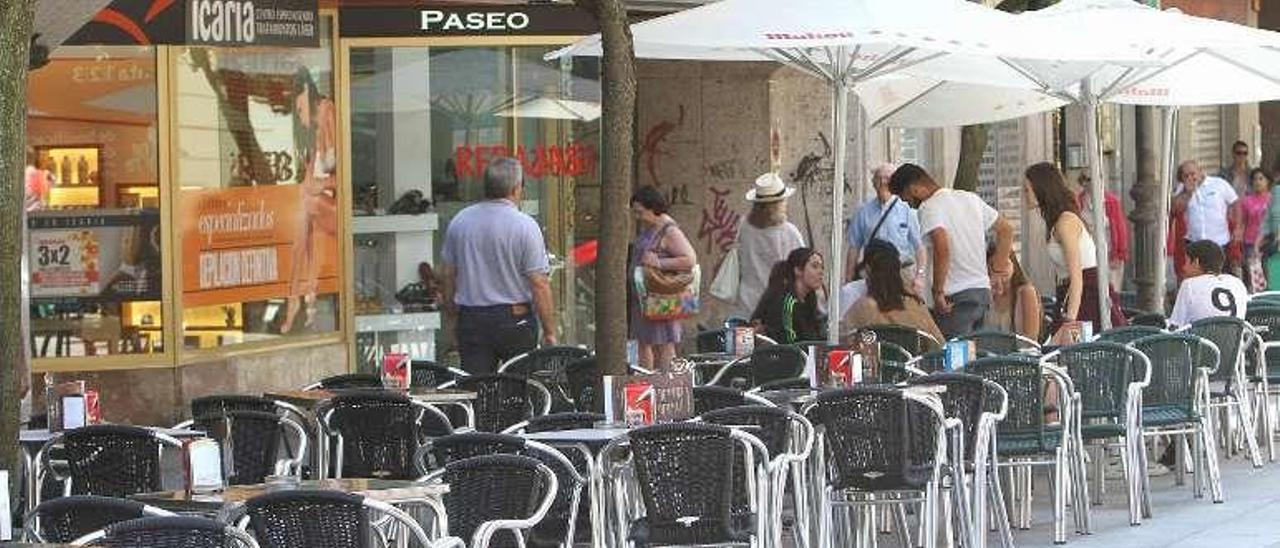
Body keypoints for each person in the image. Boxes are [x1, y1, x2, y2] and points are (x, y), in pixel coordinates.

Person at [441, 158, 556, 375]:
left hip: (472, 318)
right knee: (518, 389)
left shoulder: (460, 222)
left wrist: (451, 315)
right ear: (516, 188)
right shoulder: (525, 226)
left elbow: (448, 274)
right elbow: (539, 283)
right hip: (515, 319)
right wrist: (550, 330)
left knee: (477, 388)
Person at [889, 163, 1014, 338]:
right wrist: (997, 272)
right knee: (976, 359)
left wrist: (938, 291)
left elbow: (942, 247)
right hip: (982, 294)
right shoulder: (970, 198)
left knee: (952, 361)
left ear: (914, 188)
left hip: (955, 298)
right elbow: (1006, 230)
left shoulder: (929, 206)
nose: (910, 206)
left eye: (906, 199)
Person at [1025, 163, 1127, 336]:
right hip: (1071, 293)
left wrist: (1070, 321)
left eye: (1027, 189)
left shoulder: (1066, 222)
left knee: (1069, 352)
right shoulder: (1057, 221)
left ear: (1040, 188)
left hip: (1085, 293)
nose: (1024, 195)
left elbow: (1077, 277)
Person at [282, 67, 338, 333]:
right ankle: (302, 298)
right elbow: (307, 182)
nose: (299, 117)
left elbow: (344, 177)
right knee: (301, 223)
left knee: (306, 207)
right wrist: (310, 187)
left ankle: (297, 300)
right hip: (321, 206)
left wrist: (320, 185)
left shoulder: (328, 114)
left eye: (300, 110)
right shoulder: (315, 132)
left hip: (338, 208)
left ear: (308, 95)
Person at [630, 185, 698, 370]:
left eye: (641, 212)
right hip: (645, 295)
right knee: (644, 342)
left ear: (653, 208)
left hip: (660, 294)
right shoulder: (649, 227)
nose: (638, 217)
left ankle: (665, 383)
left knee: (664, 343)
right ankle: (648, 379)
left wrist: (659, 263)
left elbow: (689, 259)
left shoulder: (669, 231)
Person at [732, 172, 806, 319]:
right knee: (775, 343)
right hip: (777, 310)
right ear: (779, 204)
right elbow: (803, 268)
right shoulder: (789, 232)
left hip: (746, 307)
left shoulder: (743, 226)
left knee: (745, 342)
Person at [845, 163, 926, 292]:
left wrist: (920, 276)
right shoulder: (863, 211)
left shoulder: (907, 210)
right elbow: (854, 247)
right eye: (879, 178)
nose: (883, 182)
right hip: (872, 274)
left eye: (888, 178)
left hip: (902, 272)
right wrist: (848, 279)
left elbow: (919, 247)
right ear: (873, 182)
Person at [845, 240, 944, 343]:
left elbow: (843, 340)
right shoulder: (915, 304)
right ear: (898, 270)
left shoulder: (862, 307)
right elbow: (939, 343)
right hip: (913, 358)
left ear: (868, 269)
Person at [1171, 160, 1241, 278]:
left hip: (1219, 242)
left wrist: (1238, 227)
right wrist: (1188, 193)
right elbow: (1175, 210)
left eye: (1193, 174)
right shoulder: (1182, 189)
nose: (1190, 177)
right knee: (1197, 279)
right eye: (1186, 175)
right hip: (1194, 243)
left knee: (1220, 277)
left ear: (1200, 172)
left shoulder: (1219, 184)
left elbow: (1235, 203)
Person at [750, 247, 827, 344]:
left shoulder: (809, 301)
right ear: (798, 270)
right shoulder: (785, 303)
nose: (821, 272)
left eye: (822, 267)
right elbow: (790, 343)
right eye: (815, 266)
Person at [1168, 240, 1249, 328]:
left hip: (1201, 340)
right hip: (1234, 341)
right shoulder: (1237, 283)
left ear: (1196, 262)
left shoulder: (1189, 285)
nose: (1184, 267)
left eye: (1186, 261)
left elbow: (1175, 327)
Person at [1076, 172, 1130, 292]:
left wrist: (1119, 255)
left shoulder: (1111, 201)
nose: (1092, 183)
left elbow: (1121, 230)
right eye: (1087, 180)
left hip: (1109, 255)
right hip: (1088, 257)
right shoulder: (1078, 202)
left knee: (1112, 292)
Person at [986, 244, 1043, 342]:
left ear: (1013, 265)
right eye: (992, 268)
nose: (998, 271)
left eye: (1004, 266)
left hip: (1016, 355)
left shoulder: (1025, 293)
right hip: (985, 354)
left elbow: (1030, 342)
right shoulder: (983, 293)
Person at [1241, 168, 1272, 292]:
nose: (1258, 182)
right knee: (1255, 277)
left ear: (1268, 181)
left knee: (1271, 273)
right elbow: (1242, 222)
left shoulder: (1274, 199)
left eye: (1261, 178)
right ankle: (1259, 304)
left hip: (1271, 241)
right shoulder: (1246, 201)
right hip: (1251, 243)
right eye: (1255, 179)